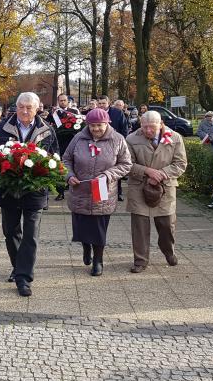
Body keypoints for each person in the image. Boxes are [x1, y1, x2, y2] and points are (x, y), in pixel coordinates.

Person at [0, 92, 60, 297]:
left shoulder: (47, 130)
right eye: (21, 107)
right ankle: (18, 267)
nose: (25, 111)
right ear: (16, 107)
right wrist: (0, 170)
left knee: (31, 233)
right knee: (11, 231)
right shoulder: (1, 128)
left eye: (29, 107)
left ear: (37, 109)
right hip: (8, 188)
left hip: (35, 190)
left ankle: (24, 278)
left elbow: (54, 158)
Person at [63, 108, 132, 276]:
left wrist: (108, 175)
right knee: (82, 227)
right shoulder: (78, 138)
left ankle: (98, 260)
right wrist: (69, 175)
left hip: (103, 192)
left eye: (99, 125)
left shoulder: (117, 139)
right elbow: (66, 159)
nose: (96, 129)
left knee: (99, 229)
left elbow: (126, 164)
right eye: (92, 125)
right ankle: (86, 248)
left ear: (107, 123)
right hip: (80, 190)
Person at [125, 111, 188, 272]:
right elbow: (126, 164)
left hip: (165, 186)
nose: (147, 131)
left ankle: (168, 251)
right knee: (139, 225)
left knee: (166, 224)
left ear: (160, 124)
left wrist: (162, 174)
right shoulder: (131, 138)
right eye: (144, 127)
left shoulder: (174, 138)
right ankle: (140, 260)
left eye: (151, 127)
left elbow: (180, 163)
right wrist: (147, 171)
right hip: (139, 185)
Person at [97, 96, 129, 200]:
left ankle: (118, 192)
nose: (101, 106)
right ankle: (101, 193)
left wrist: (121, 142)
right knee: (100, 169)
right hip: (98, 146)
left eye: (103, 103)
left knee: (115, 168)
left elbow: (124, 128)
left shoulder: (117, 113)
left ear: (108, 103)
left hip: (115, 145)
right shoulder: (95, 113)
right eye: (100, 103)